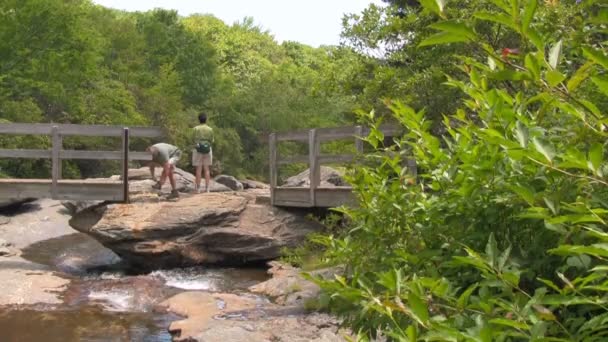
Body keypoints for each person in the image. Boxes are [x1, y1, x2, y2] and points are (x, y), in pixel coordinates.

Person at [192, 112, 214, 193]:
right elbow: (212, 141)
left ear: (199, 120)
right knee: (207, 169)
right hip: (207, 149)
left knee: (198, 169)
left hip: (197, 149)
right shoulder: (210, 129)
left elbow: (192, 139)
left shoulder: (195, 129)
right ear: (206, 119)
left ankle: (198, 188)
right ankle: (207, 188)